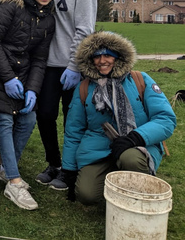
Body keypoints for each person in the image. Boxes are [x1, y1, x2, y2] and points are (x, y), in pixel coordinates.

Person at [61, 31, 176, 205]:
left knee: (130, 158)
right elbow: (73, 130)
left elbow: (165, 118)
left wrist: (136, 137)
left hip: (136, 144)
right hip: (97, 149)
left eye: (107, 55)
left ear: (118, 56)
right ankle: (112, 174)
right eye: (96, 57)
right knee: (87, 195)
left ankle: (136, 192)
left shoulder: (140, 80)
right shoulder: (84, 88)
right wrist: (69, 169)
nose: (102, 61)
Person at [0, 0, 56, 210]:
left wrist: (32, 88)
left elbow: (40, 58)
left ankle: (4, 169)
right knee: (4, 119)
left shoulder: (49, 19)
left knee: (28, 117)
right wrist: (7, 78)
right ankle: (13, 182)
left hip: (24, 73)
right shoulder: (10, 7)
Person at [35, 0, 97, 189]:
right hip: (49, 65)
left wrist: (74, 66)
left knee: (73, 120)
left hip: (72, 67)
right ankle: (54, 163)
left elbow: (85, 30)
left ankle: (71, 170)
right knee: (45, 115)